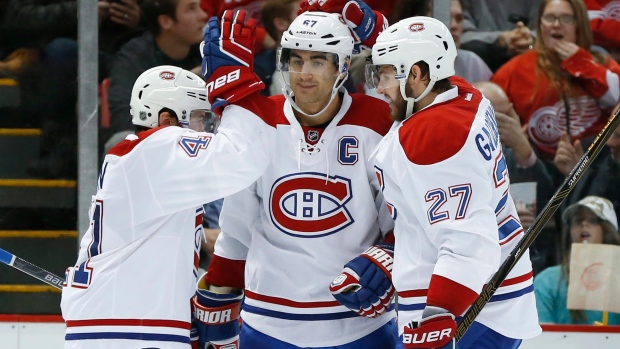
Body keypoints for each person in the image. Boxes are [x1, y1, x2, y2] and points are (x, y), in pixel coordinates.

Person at [61, 10, 277, 348]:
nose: (207, 130)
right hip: (128, 331)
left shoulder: (146, 164)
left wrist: (183, 309)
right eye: (201, 118)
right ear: (166, 119)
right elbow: (244, 157)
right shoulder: (159, 147)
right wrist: (235, 82)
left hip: (125, 325)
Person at [192, 10, 398, 349]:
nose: (304, 73)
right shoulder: (258, 121)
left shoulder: (378, 122)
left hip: (359, 325)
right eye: (296, 60)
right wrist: (219, 289)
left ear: (343, 67)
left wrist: (391, 255)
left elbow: (403, 219)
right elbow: (238, 227)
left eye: (318, 61)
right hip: (268, 323)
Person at [364, 16, 541, 349]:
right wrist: (372, 32)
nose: (380, 88)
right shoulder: (463, 95)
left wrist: (437, 316)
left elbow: (467, 242)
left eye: (385, 75)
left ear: (415, 74)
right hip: (490, 297)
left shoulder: (436, 135)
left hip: (467, 307)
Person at [492, 0, 620, 168]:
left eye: (566, 18)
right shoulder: (512, 71)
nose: (556, 25)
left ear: (579, 25)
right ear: (539, 24)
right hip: (538, 168)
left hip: (598, 168)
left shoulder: (603, 64)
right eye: (549, 18)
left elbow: (615, 100)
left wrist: (582, 65)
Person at [474, 81, 557, 273]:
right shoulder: (454, 153)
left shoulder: (513, 153)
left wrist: (524, 152)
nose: (504, 126)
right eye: (495, 117)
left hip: (526, 263)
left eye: (507, 116)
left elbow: (549, 203)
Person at [106, 0, 207, 144]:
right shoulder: (134, 57)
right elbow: (123, 116)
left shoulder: (208, 51)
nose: (202, 15)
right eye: (191, 9)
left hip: (202, 143)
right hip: (153, 145)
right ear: (166, 21)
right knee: (119, 140)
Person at [534, 195, 620, 324]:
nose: (584, 224)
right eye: (577, 220)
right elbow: (543, 337)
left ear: (608, 230)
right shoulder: (547, 281)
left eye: (594, 220)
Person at [460, 0, 539, 72]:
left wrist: (530, 37)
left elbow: (546, 22)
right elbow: (458, 33)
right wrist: (498, 38)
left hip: (528, 61)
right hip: (474, 64)